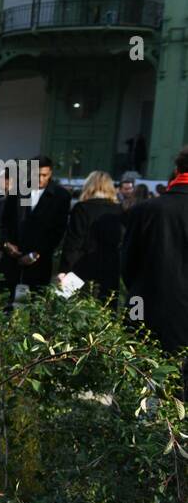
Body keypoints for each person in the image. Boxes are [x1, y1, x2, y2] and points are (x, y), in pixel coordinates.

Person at [123, 147, 188, 401]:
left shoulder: (145, 209)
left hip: (146, 305)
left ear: (176, 171)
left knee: (144, 377)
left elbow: (127, 264)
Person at [0, 155, 70, 306]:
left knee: (37, 304)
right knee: (4, 303)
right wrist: (6, 243)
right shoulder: (18, 191)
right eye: (36, 174)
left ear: (50, 174)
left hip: (40, 259)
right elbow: (5, 221)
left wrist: (37, 253)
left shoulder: (60, 196)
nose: (39, 178)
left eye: (44, 175)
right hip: (12, 255)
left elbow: (58, 231)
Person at [57, 170, 123, 304]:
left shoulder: (82, 208)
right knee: (106, 309)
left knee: (78, 311)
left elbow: (73, 242)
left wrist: (64, 270)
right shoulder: (118, 210)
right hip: (110, 267)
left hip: (81, 267)